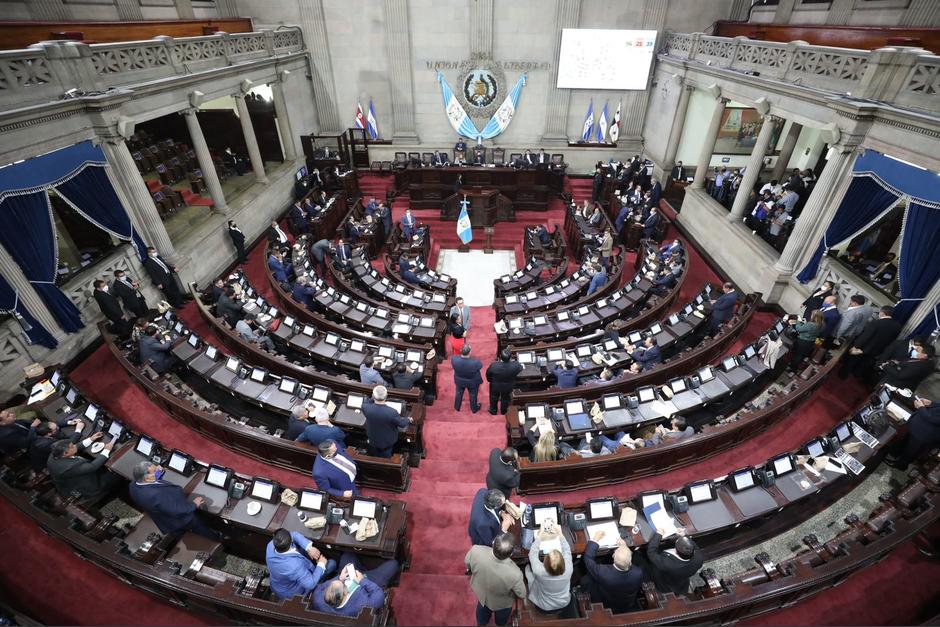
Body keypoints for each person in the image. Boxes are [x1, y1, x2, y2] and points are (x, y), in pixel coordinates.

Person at [129, 460, 221, 539]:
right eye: (155, 470)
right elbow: (177, 510)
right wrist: (194, 504)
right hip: (181, 520)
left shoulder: (134, 484)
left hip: (164, 519)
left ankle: (182, 536)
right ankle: (216, 538)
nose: (158, 468)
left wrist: (157, 473)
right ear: (147, 477)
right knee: (200, 529)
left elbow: (151, 484)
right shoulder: (155, 494)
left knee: (180, 533)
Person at [310, 552, 400, 618]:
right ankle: (364, 571)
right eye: (343, 585)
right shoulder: (361, 605)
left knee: (347, 555)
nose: (342, 583)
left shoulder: (318, 599)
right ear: (345, 592)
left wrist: (339, 578)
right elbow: (379, 595)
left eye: (330, 585)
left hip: (349, 575)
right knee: (393, 564)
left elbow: (319, 587)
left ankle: (361, 568)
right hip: (368, 583)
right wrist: (362, 580)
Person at [465, 533, 526, 627]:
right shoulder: (515, 574)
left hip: (482, 595)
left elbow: (467, 563)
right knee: (500, 623)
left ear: (493, 543)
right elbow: (522, 593)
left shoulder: (475, 550)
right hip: (502, 603)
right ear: (511, 553)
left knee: (481, 618)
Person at [582, 530, 644, 613]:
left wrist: (595, 539)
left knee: (585, 579)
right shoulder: (638, 572)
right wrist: (624, 546)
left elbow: (588, 558)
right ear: (630, 561)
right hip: (625, 602)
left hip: (604, 601)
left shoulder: (603, 572)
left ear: (613, 556)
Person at [266, 528, 335, 600]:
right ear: (290, 542)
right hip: (294, 590)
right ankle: (320, 583)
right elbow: (310, 583)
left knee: (303, 548)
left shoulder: (271, 545)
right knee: (332, 564)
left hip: (278, 584)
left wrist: (309, 548)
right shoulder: (294, 566)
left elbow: (294, 534)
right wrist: (321, 564)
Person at [47, 437, 120, 503]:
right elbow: (92, 466)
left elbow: (74, 447)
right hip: (90, 487)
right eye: (72, 446)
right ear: (65, 454)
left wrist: (91, 439)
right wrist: (106, 450)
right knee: (116, 470)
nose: (75, 446)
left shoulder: (55, 453)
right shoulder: (68, 467)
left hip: (80, 476)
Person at [840, 306, 902, 379]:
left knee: (850, 363)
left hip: (862, 348)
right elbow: (891, 340)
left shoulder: (876, 322)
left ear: (882, 313)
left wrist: (856, 346)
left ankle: (843, 376)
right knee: (863, 366)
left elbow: (865, 336)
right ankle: (856, 377)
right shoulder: (898, 326)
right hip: (877, 351)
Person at [526, 532, 575, 617]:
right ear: (563, 561)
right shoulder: (569, 568)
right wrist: (560, 534)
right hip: (563, 604)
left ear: (545, 563)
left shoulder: (539, 570)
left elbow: (532, 554)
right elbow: (567, 550)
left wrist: (539, 537)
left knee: (527, 569)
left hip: (544, 607)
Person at [645, 528, 703, 595]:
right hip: (681, 579)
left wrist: (658, 534)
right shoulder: (699, 557)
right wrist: (684, 536)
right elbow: (695, 547)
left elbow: (651, 552)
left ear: (676, 551)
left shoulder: (668, 563)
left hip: (664, 582)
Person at [887, 398, 940, 470]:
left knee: (911, 451)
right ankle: (895, 456)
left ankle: (901, 465)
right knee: (906, 444)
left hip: (925, 434)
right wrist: (931, 403)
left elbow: (932, 418)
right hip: (919, 428)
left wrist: (921, 407)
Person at [361, 385, 412, 458]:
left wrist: (373, 398)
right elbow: (402, 424)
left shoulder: (365, 407)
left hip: (372, 439)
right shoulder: (392, 412)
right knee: (386, 457)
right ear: (386, 396)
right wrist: (408, 419)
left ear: (373, 396)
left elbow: (366, 402)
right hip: (387, 443)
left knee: (375, 455)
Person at [486, 349, 523, 415]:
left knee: (493, 397)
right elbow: (521, 369)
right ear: (511, 357)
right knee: (505, 399)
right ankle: (504, 411)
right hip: (508, 386)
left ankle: (493, 411)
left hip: (495, 386)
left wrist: (490, 381)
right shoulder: (515, 365)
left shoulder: (494, 365)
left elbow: (488, 374)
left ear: (500, 356)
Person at [453, 344, 483, 413]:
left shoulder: (454, 359)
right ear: (470, 352)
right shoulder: (476, 362)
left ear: (461, 351)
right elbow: (480, 366)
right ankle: (474, 409)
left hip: (459, 381)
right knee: (473, 395)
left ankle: (457, 407)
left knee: (458, 393)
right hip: (472, 382)